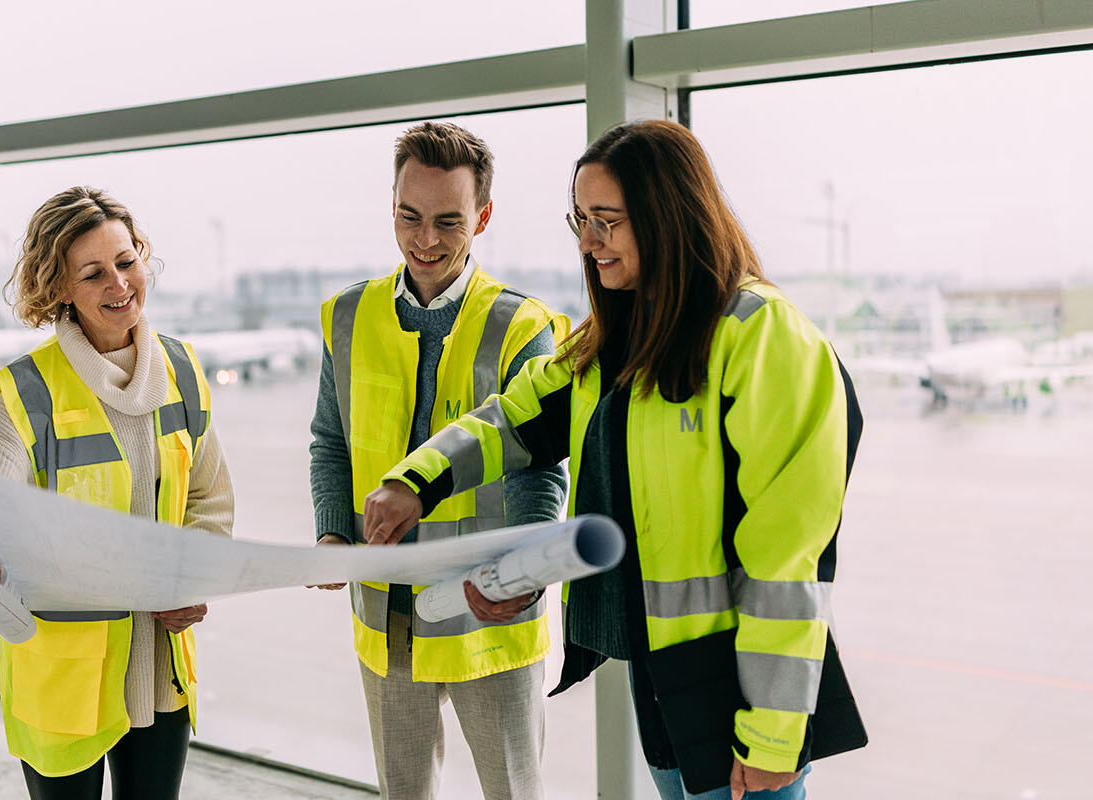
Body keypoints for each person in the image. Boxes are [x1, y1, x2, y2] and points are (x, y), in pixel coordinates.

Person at [362, 120, 867, 800]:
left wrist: (776, 736)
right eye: (580, 219)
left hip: (738, 693)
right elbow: (511, 421)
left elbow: (786, 561)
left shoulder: (761, 338)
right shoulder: (619, 343)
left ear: (667, 217)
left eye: (607, 221)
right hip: (660, 682)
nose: (588, 242)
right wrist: (412, 483)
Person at [0, 186, 233, 800]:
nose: (119, 284)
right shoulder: (29, 396)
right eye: (93, 273)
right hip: (63, 687)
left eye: (126, 261)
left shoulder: (183, 371)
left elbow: (209, 499)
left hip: (159, 674)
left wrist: (195, 574)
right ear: (61, 289)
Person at [307, 121, 570, 800]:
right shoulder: (346, 316)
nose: (425, 239)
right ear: (391, 204)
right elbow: (331, 442)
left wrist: (527, 572)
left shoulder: (523, 327)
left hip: (490, 615)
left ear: (482, 216)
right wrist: (334, 532)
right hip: (386, 612)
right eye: (409, 216)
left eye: (448, 221)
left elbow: (542, 467)